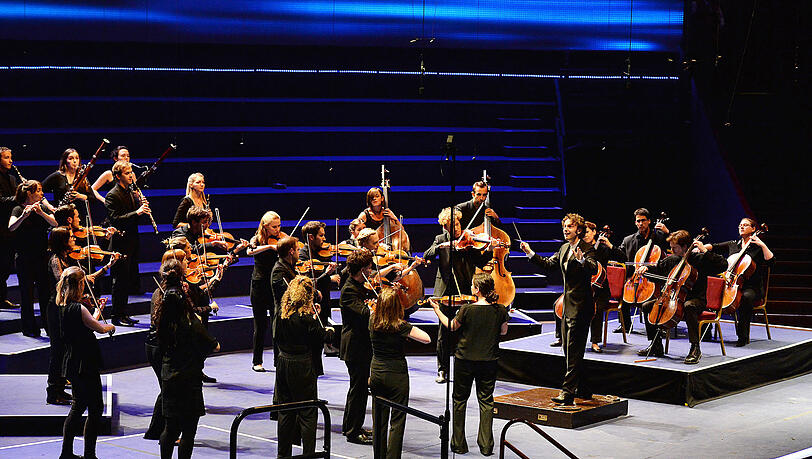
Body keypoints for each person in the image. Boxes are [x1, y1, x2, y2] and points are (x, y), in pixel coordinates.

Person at [520, 213, 598, 405]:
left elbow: (593, 268)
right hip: (568, 306)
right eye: (564, 226)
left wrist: (581, 261)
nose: (566, 229)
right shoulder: (564, 248)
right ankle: (585, 388)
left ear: (578, 230)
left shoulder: (587, 249)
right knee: (568, 349)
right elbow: (549, 264)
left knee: (573, 350)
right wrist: (530, 253)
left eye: (570, 226)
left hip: (581, 306)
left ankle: (568, 392)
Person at [431, 273, 509, 456]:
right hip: (489, 361)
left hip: (464, 361)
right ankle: (487, 446)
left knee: (459, 400)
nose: (471, 289)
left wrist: (438, 311)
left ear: (477, 290)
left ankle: (458, 444)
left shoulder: (466, 309)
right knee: (486, 402)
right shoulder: (501, 309)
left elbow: (451, 326)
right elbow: (504, 332)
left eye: (473, 287)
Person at [46, 227, 118, 405]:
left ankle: (60, 388)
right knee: (58, 350)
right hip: (56, 308)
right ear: (63, 241)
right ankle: (53, 391)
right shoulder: (55, 260)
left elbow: (84, 280)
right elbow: (64, 282)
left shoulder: (67, 258)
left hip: (63, 305)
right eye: (70, 237)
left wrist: (107, 267)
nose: (74, 239)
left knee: (65, 349)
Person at [156, 259, 220, 459]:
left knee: (170, 427)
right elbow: (215, 345)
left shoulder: (162, 320)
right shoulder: (191, 322)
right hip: (189, 378)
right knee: (188, 432)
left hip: (169, 374)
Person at [423, 207, 493, 383]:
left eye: (457, 223)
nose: (456, 228)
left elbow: (481, 260)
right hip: (445, 290)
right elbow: (426, 255)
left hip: (465, 290)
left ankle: (466, 369)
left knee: (466, 330)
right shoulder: (440, 239)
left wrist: (490, 248)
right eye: (451, 226)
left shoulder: (468, 240)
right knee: (443, 332)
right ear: (445, 228)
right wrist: (443, 246)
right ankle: (442, 370)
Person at [636, 230, 728, 364]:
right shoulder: (673, 259)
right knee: (646, 306)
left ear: (685, 247)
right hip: (673, 299)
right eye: (671, 247)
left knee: (688, 306)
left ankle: (695, 348)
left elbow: (723, 264)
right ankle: (656, 345)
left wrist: (705, 251)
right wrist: (646, 270)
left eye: (675, 247)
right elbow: (658, 270)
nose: (671, 250)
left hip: (696, 300)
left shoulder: (699, 260)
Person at [57, 266, 116, 459]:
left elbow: (87, 324)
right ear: (80, 284)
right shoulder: (80, 308)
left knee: (78, 405)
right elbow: (99, 329)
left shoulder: (62, 304)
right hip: (85, 363)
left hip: (73, 361)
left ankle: (66, 453)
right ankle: (89, 454)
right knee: (95, 408)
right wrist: (110, 326)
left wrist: (97, 312)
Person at [275, 275, 333, 457]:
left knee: (285, 411)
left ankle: (283, 454)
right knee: (308, 412)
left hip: (283, 362)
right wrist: (328, 328)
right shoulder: (307, 317)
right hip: (302, 365)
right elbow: (324, 337)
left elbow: (276, 337)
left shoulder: (282, 312)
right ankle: (308, 454)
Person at [370, 287, 430, 459]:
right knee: (397, 420)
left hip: (377, 372)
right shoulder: (401, 326)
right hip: (396, 375)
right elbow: (427, 338)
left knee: (378, 420)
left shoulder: (372, 321)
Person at [706, 218, 775, 347]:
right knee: (712, 291)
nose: (741, 227)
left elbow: (771, 262)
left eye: (745, 225)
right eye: (740, 225)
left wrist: (762, 245)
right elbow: (715, 246)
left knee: (745, 297)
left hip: (751, 287)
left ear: (753, 229)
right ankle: (706, 330)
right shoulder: (734, 244)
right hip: (732, 283)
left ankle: (743, 336)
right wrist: (701, 247)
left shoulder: (757, 247)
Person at [144, 256, 186, 440]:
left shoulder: (159, 291)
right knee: (170, 390)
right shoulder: (172, 295)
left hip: (152, 345)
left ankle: (157, 431)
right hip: (160, 345)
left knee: (167, 389)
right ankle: (165, 432)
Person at [9, 180, 58, 337]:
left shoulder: (41, 208)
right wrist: (24, 216)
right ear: (29, 193)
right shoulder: (18, 208)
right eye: (38, 190)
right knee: (27, 294)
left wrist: (41, 213)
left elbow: (56, 223)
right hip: (25, 258)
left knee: (46, 293)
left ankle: (49, 326)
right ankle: (29, 328)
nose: (41, 193)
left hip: (41, 256)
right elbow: (11, 227)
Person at [105, 160, 151, 326]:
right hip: (119, 242)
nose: (131, 175)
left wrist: (141, 206)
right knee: (119, 281)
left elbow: (133, 217)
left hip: (131, 240)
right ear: (118, 176)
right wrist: (137, 212)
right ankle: (116, 316)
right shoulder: (112, 195)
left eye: (131, 172)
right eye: (127, 173)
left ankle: (123, 313)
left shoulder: (131, 192)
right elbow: (115, 220)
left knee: (126, 281)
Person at [339, 249, 376, 445]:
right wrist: (378, 306)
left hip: (361, 345)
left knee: (358, 389)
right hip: (354, 346)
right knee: (358, 389)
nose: (371, 271)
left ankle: (351, 426)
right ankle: (353, 432)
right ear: (362, 269)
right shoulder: (349, 290)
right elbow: (365, 313)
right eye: (369, 268)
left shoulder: (358, 285)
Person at [611, 208, 669, 333]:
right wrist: (611, 249)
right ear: (635, 222)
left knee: (654, 297)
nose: (641, 223)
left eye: (643, 220)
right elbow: (620, 257)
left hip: (654, 276)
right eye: (638, 221)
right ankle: (625, 325)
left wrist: (667, 232)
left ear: (649, 221)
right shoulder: (628, 240)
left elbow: (675, 244)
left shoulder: (659, 237)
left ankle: (657, 325)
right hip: (634, 276)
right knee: (622, 291)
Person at [247, 211, 282, 372]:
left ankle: (278, 360)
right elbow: (249, 251)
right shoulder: (256, 239)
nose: (278, 229)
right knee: (260, 325)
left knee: (277, 324)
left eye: (279, 226)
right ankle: (257, 361)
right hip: (259, 286)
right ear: (265, 226)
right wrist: (269, 246)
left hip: (275, 286)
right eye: (274, 227)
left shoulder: (281, 237)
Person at [582, 221, 625, 352]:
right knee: (562, 304)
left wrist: (610, 244)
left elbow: (622, 257)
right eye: (583, 233)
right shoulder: (580, 247)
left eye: (588, 232)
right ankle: (562, 337)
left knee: (596, 309)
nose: (585, 235)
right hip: (583, 288)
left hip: (601, 291)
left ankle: (595, 342)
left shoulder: (603, 248)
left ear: (594, 232)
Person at [299, 220, 340, 352]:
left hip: (325, 296)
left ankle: (327, 345)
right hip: (312, 299)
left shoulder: (322, 251)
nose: (324, 239)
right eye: (321, 236)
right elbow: (306, 282)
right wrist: (327, 275)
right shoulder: (303, 255)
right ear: (311, 237)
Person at [0, 146, 20, 309]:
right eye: (6, 157)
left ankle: (1, 298)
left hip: (10, 227)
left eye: (10, 157)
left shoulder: (12, 178)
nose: (11, 160)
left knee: (6, 264)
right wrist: (19, 197)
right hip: (0, 226)